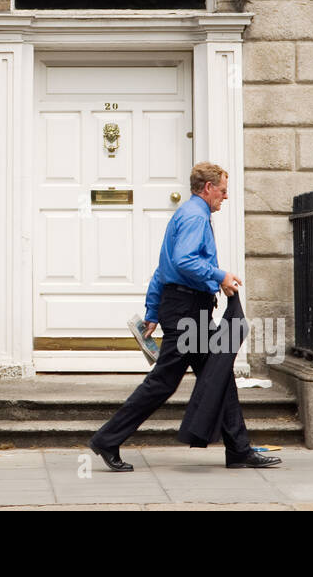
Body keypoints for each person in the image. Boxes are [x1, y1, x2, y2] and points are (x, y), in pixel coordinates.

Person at [88, 162, 281, 471]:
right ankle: (107, 439)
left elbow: (162, 268)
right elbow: (183, 260)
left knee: (219, 375)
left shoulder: (186, 214)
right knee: (163, 383)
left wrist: (153, 310)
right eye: (222, 191)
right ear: (207, 188)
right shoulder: (195, 217)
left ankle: (239, 450)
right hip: (187, 312)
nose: (225, 197)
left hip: (187, 309)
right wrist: (221, 275)